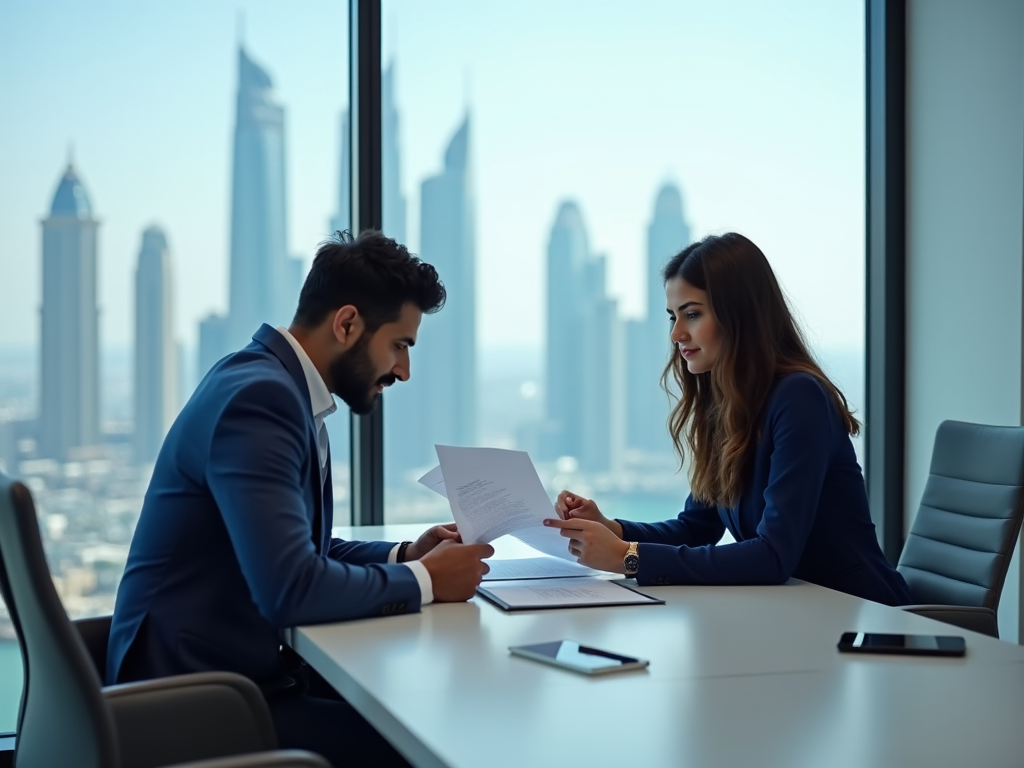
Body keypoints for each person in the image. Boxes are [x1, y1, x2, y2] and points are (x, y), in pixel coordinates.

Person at [106, 230, 493, 767]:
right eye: (400, 344)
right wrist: (429, 581)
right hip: (192, 703)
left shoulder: (273, 383)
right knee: (430, 744)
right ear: (347, 323)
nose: (404, 370)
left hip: (225, 680)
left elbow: (296, 550)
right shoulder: (261, 400)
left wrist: (405, 555)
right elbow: (290, 587)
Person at [544, 232, 911, 606]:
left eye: (692, 313)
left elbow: (773, 557)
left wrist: (627, 556)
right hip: (796, 614)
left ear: (740, 315)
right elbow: (697, 527)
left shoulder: (799, 397)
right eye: (673, 316)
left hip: (863, 616)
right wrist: (611, 529)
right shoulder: (725, 403)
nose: (676, 333)